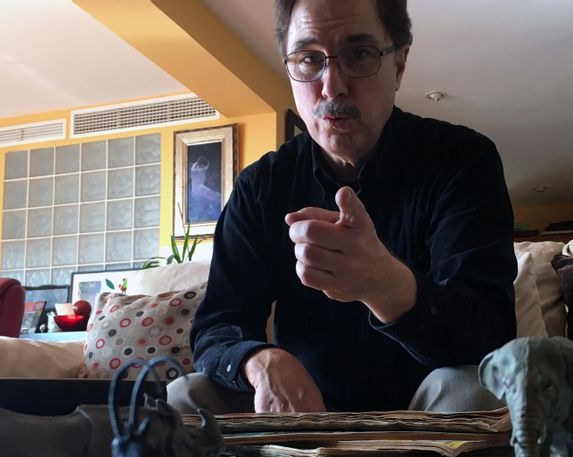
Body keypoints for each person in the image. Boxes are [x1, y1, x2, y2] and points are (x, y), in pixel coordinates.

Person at [167, 0, 516, 414]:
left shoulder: (462, 161)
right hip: (299, 416)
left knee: (475, 392)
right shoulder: (259, 187)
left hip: (424, 415)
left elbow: (491, 337)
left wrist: (385, 284)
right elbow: (217, 327)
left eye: (358, 55)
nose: (332, 87)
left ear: (399, 63)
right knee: (186, 396)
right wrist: (259, 362)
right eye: (308, 59)